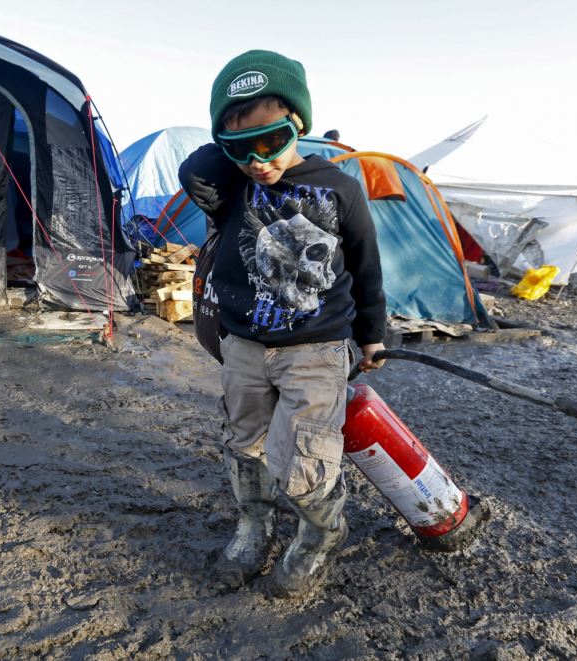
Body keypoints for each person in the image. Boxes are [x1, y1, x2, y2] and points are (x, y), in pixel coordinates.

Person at [178, 50, 387, 598]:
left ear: (299, 123)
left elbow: (366, 265)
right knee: (244, 442)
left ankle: (321, 532)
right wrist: (234, 139)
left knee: (304, 455)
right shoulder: (234, 189)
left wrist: (372, 334)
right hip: (243, 344)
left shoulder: (339, 187)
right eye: (240, 149)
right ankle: (254, 526)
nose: (258, 159)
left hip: (315, 349)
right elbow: (193, 168)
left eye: (271, 142)